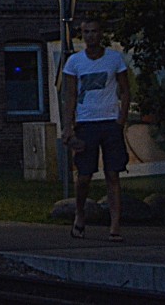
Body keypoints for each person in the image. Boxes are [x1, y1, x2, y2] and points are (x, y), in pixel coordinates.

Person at [62, 17, 131, 241]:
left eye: (94, 31)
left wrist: (121, 119)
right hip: (86, 122)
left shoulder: (114, 59)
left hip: (110, 121)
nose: (91, 36)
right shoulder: (75, 62)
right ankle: (80, 214)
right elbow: (70, 95)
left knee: (113, 174)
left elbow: (125, 89)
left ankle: (115, 225)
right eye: (87, 32)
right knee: (84, 176)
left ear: (101, 34)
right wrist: (68, 126)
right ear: (82, 35)